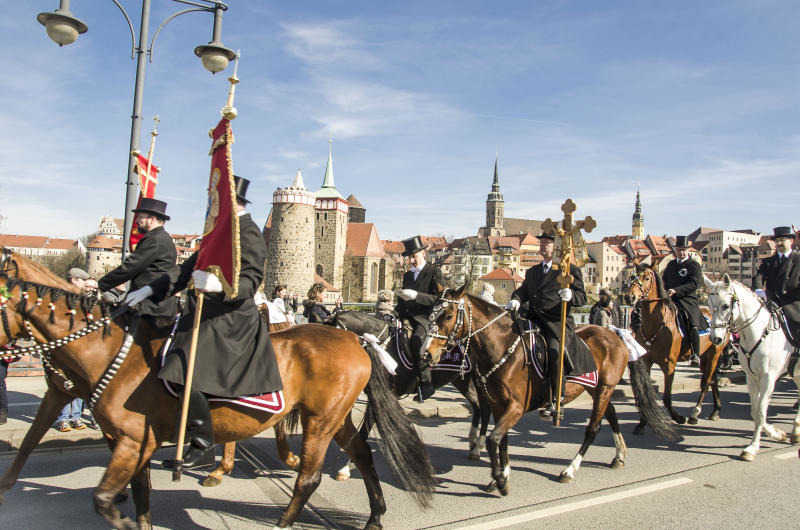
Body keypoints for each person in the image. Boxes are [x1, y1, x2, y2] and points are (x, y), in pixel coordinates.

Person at [129, 176, 282, 470]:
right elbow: (184, 270)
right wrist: (149, 289)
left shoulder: (248, 232)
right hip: (202, 314)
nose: (210, 204)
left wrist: (216, 285)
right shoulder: (216, 231)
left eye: (214, 198)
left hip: (231, 320)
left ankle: (201, 443)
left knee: (184, 364)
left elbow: (250, 282)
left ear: (228, 201)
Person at [507, 230, 594, 418]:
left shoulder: (568, 270)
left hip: (556, 323)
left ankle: (556, 399)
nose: (543, 245)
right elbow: (524, 291)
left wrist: (571, 297)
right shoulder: (533, 272)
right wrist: (516, 299)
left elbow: (582, 298)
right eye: (542, 242)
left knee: (555, 353)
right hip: (533, 320)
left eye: (547, 242)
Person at [98, 198, 178, 325]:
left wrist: (100, 285)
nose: (137, 221)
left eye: (140, 217)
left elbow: (131, 267)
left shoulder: (154, 239)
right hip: (151, 303)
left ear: (152, 219)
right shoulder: (162, 238)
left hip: (150, 307)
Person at [395, 235, 444, 402]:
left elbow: (438, 299)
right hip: (408, 316)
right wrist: (396, 313)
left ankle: (426, 382)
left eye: (413, 256)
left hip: (426, 317)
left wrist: (417, 296)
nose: (411, 260)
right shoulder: (408, 275)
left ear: (423, 253)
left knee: (417, 341)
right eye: (409, 257)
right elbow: (402, 298)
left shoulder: (434, 272)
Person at [55, 267, 95, 431]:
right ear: (73, 280)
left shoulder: (85, 298)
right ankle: (63, 418)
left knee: (80, 383)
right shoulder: (64, 298)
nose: (85, 284)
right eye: (82, 281)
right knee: (67, 383)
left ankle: (76, 416)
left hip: (83, 348)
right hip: (67, 348)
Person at [662, 235, 707, 366]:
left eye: (683, 250)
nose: (681, 252)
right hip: (670, 299)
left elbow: (694, 284)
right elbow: (664, 281)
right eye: (678, 250)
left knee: (692, 323)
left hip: (687, 300)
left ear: (688, 250)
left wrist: (676, 290)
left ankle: (695, 354)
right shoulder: (670, 265)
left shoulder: (694, 265)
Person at [753, 226, 800, 346]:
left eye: (782, 240)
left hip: (792, 304)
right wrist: (759, 290)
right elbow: (758, 276)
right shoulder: (768, 261)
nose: (779, 243)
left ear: (791, 241)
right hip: (772, 304)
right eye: (777, 241)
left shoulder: (798, 259)